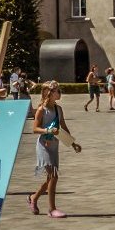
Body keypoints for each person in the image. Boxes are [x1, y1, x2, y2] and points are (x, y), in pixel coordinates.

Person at [29, 82, 81, 218]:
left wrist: (73, 143)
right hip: (43, 146)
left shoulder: (59, 109)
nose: (59, 93)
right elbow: (34, 129)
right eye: (57, 90)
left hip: (54, 146)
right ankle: (52, 209)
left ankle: (33, 198)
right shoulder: (41, 110)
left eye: (59, 90)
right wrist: (48, 130)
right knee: (53, 176)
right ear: (49, 93)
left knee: (49, 180)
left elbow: (63, 127)